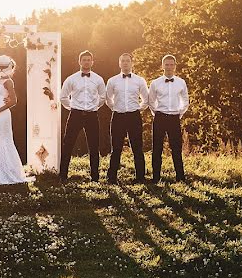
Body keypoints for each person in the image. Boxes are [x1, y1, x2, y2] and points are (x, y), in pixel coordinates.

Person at [0, 55, 32, 186]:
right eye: (0, 66)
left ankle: (4, 173)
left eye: (4, 67)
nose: (1, 68)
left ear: (9, 67)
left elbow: (14, 100)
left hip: (2, 113)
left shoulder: (9, 81)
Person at [59, 50, 106, 183]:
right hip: (75, 115)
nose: (86, 62)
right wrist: (73, 108)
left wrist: (94, 107)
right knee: (68, 144)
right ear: (79, 62)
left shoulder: (98, 79)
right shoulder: (71, 79)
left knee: (93, 145)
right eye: (84, 60)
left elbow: (102, 97)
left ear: (92, 62)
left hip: (92, 115)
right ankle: (63, 176)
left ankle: (95, 177)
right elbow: (63, 97)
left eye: (88, 60)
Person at [105, 52, 150, 184]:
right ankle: (112, 177)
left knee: (137, 148)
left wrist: (137, 109)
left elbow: (146, 99)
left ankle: (140, 177)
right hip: (118, 116)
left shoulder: (140, 80)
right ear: (119, 63)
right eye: (123, 61)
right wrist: (116, 108)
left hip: (134, 116)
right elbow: (108, 99)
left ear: (132, 63)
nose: (125, 63)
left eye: (127, 61)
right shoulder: (112, 81)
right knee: (116, 148)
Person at [148, 54, 190, 183]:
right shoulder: (155, 83)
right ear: (162, 66)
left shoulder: (181, 82)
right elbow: (151, 102)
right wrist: (158, 113)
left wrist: (179, 114)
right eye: (167, 64)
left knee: (176, 148)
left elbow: (185, 101)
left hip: (174, 118)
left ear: (175, 66)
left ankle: (180, 177)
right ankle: (155, 178)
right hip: (160, 117)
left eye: (171, 64)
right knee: (157, 148)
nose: (169, 67)